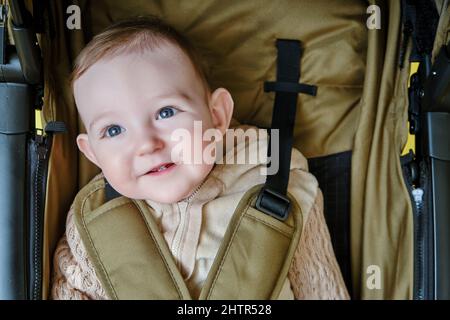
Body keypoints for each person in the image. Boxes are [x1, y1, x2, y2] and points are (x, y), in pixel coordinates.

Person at [51, 16, 349, 300]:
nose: (146, 144)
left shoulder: (279, 183)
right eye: (114, 130)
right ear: (92, 153)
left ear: (217, 115)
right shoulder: (94, 224)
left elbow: (320, 283)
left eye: (165, 112)